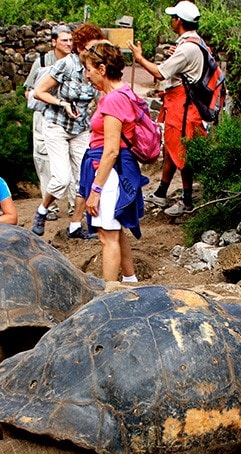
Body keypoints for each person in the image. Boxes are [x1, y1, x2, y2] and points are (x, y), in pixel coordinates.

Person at [128, 0, 207, 217]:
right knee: (172, 148)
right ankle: (162, 191)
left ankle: (187, 200)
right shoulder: (193, 44)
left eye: (173, 17)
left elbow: (160, 73)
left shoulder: (188, 48)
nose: (171, 20)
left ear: (179, 21)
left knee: (181, 149)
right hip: (181, 104)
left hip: (182, 106)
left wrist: (139, 58)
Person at [79, 42, 147, 283]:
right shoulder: (122, 92)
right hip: (112, 170)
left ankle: (109, 293)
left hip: (109, 173)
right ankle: (129, 281)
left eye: (88, 69)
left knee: (106, 237)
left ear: (102, 69)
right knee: (116, 229)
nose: (86, 74)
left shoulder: (112, 100)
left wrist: (95, 190)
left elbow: (111, 151)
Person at [30, 23, 105, 240]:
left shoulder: (96, 67)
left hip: (80, 128)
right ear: (81, 47)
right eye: (91, 47)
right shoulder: (67, 65)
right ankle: (42, 210)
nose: (94, 51)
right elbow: (39, 92)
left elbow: (101, 96)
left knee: (85, 178)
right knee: (62, 179)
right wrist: (61, 103)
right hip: (56, 125)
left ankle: (75, 225)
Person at [23, 25, 73, 221]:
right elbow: (28, 89)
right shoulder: (42, 62)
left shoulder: (76, 62)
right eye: (64, 40)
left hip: (68, 118)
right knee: (44, 160)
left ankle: (73, 206)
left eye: (70, 40)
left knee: (73, 159)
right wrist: (39, 101)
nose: (69, 44)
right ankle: (49, 207)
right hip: (44, 116)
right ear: (54, 42)